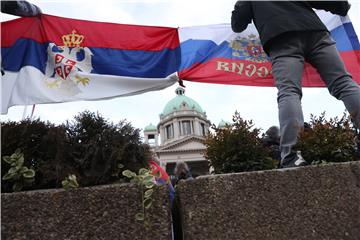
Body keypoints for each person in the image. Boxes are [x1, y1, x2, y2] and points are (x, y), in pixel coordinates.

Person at [231, 1, 360, 168]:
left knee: (289, 92)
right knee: (343, 82)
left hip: (280, 38)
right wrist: (340, 5)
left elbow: (238, 24)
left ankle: (293, 154)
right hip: (314, 31)